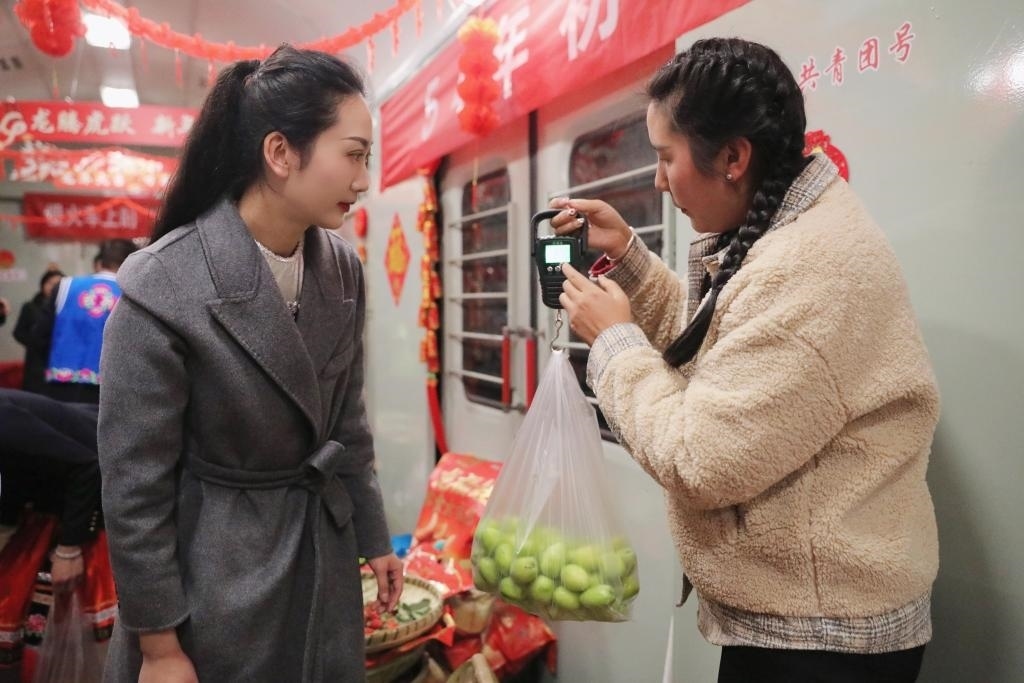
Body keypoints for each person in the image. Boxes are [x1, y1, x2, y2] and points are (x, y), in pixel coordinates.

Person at [551, 38, 939, 683]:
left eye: (665, 157)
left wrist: (614, 343)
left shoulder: (810, 269)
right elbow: (727, 349)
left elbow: (698, 459)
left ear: (732, 157)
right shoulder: (791, 232)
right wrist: (628, 258)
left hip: (822, 646)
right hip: (811, 620)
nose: (658, 180)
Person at [97, 44, 403, 683]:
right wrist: (159, 647)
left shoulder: (341, 269)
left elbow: (347, 423)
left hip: (320, 549)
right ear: (281, 153)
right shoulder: (163, 284)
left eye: (366, 158)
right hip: (215, 576)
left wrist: (373, 536)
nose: (363, 179)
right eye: (353, 155)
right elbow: (134, 488)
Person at [29, 239, 137, 405]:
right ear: (131, 263)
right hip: (109, 390)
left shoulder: (65, 286)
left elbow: (39, 336)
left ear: (100, 262)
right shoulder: (131, 293)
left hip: (61, 384)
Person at [12, 269, 64, 394]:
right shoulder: (30, 307)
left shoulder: (66, 308)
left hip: (59, 361)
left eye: (58, 284)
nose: (53, 287)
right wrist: (35, 343)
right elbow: (19, 332)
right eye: (50, 283)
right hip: (36, 362)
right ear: (42, 284)